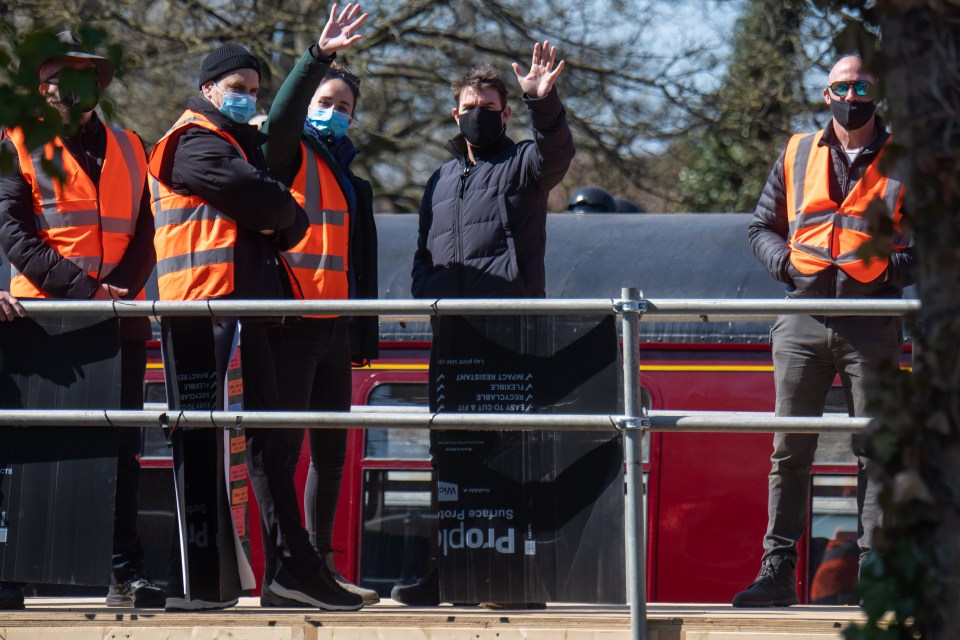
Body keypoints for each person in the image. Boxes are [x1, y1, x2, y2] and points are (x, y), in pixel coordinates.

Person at [147, 40, 327, 610]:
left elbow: (266, 195)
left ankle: (274, 573)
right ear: (207, 90)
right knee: (209, 447)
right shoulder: (190, 143)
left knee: (261, 443)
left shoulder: (232, 143)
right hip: (202, 312)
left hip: (233, 308)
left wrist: (275, 212)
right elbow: (262, 200)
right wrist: (285, 215)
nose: (248, 97)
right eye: (238, 88)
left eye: (254, 89)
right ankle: (202, 583)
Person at [733, 53, 915, 608]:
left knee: (876, 449)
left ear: (876, 92)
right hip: (801, 318)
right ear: (826, 92)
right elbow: (761, 226)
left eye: (861, 85)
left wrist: (889, 271)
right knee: (789, 449)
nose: (851, 94)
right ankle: (777, 573)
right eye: (842, 85)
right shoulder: (795, 152)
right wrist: (787, 268)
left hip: (873, 320)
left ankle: (875, 573)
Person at [398, 41, 574, 607]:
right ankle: (447, 570)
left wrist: (540, 103)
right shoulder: (439, 179)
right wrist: (429, 293)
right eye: (471, 105)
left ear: (504, 112)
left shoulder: (522, 162)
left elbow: (556, 154)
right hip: (453, 333)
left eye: (493, 107)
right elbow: (423, 254)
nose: (480, 114)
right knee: (451, 453)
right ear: (456, 113)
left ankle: (514, 579)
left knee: (509, 450)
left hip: (509, 331)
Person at [0, 30, 162, 609]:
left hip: (116, 319)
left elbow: (147, 230)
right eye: (53, 77)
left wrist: (120, 291)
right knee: (30, 447)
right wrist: (89, 291)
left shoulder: (131, 144)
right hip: (42, 320)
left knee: (119, 450)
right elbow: (14, 232)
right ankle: (11, 572)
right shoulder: (13, 142)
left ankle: (125, 572)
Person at [256, 4, 379, 608]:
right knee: (283, 450)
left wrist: (362, 336)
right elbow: (279, 117)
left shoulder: (356, 181)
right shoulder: (283, 151)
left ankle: (321, 567)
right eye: (326, 100)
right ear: (308, 103)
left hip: (335, 326)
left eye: (346, 107)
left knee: (331, 456)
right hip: (293, 320)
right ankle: (286, 569)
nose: (335, 113)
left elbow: (362, 265)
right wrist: (318, 58)